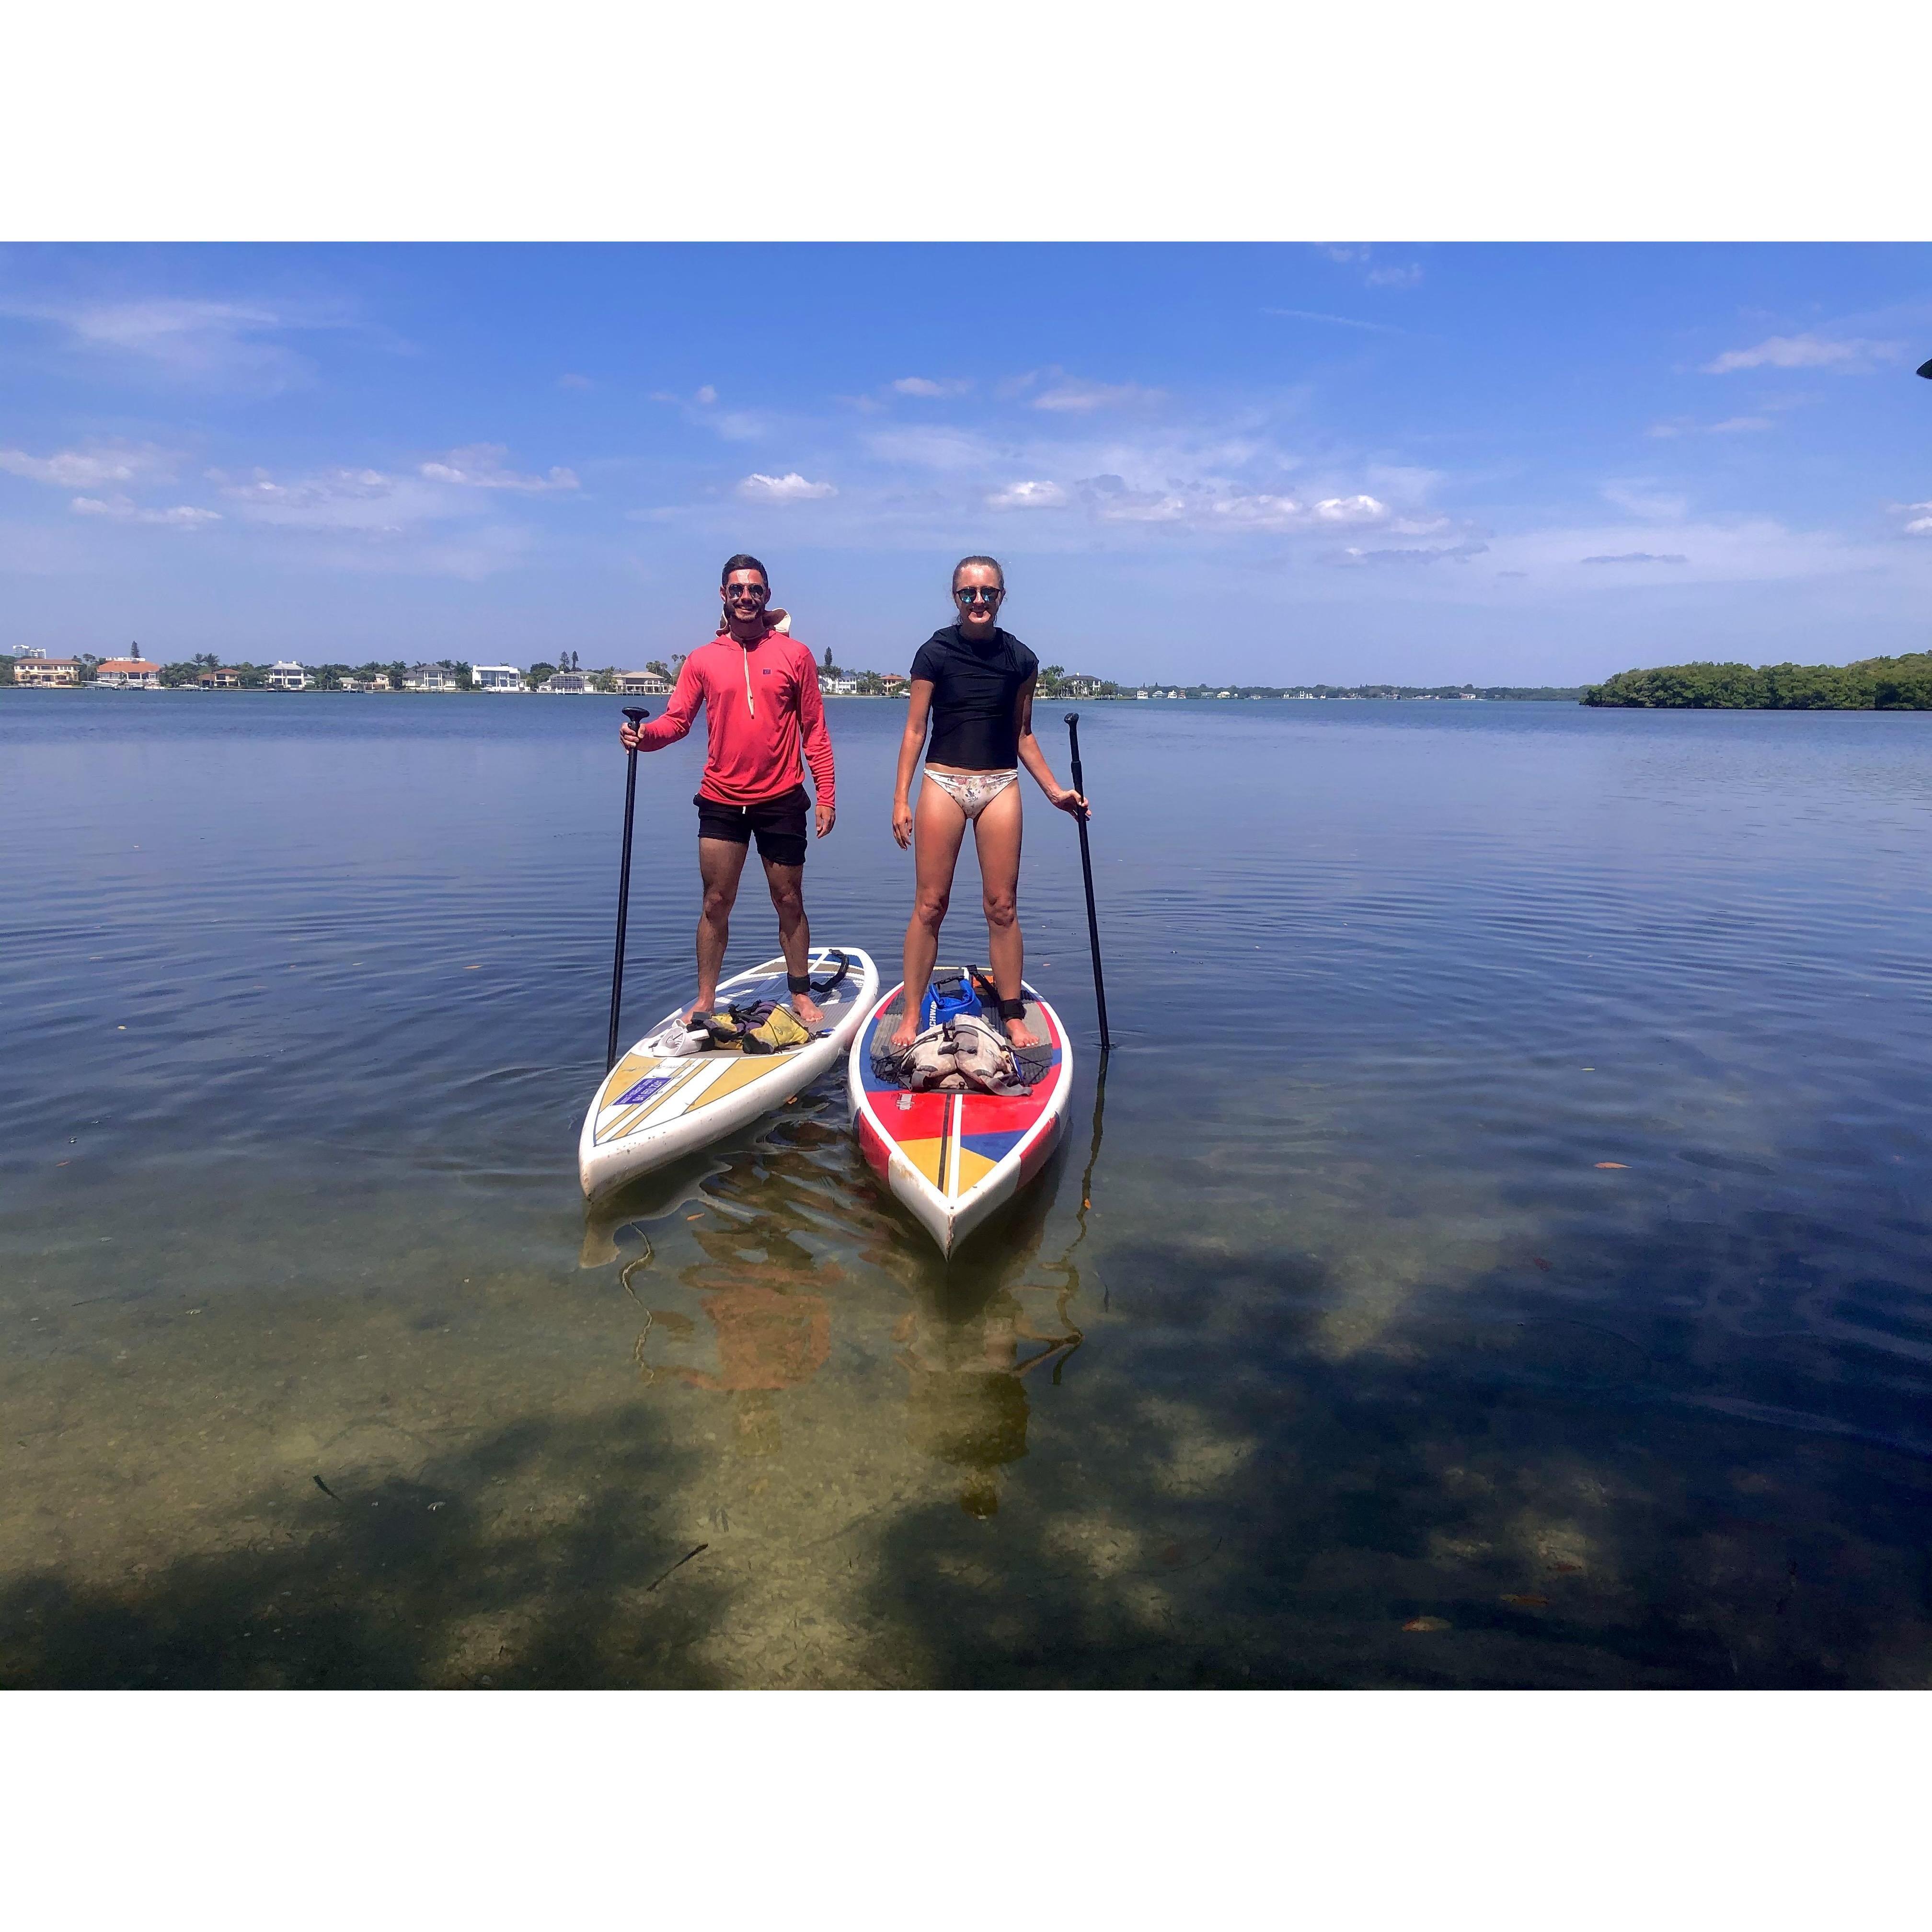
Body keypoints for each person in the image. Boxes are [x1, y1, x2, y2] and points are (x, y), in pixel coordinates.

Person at [620, 554, 836, 1027]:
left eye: (754, 589)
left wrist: (827, 795)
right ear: (723, 595)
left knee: (790, 900)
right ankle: (704, 999)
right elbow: (676, 721)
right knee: (716, 901)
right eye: (736, 589)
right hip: (720, 797)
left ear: (767, 596)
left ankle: (800, 994)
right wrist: (644, 737)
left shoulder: (794, 655)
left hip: (782, 797)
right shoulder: (702, 660)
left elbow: (814, 729)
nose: (745, 597)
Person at [889, 555, 1087, 1053]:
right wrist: (901, 799)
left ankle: (1012, 1013)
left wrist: (1055, 791)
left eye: (988, 593)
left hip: (1000, 785)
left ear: (1002, 597)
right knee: (930, 905)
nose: (978, 601)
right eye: (968, 593)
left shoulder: (1021, 659)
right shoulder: (934, 652)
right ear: (955, 598)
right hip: (943, 783)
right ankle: (911, 1013)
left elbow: (1023, 735)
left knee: (1002, 907)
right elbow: (915, 730)